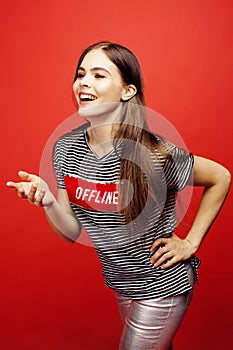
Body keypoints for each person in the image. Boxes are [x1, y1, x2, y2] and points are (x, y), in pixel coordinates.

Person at [6, 41, 231, 350]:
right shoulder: (66, 150)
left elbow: (221, 176)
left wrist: (191, 241)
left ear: (128, 91)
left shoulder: (154, 154)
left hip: (161, 286)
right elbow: (70, 232)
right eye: (81, 73)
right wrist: (48, 202)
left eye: (99, 75)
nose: (84, 82)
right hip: (122, 284)